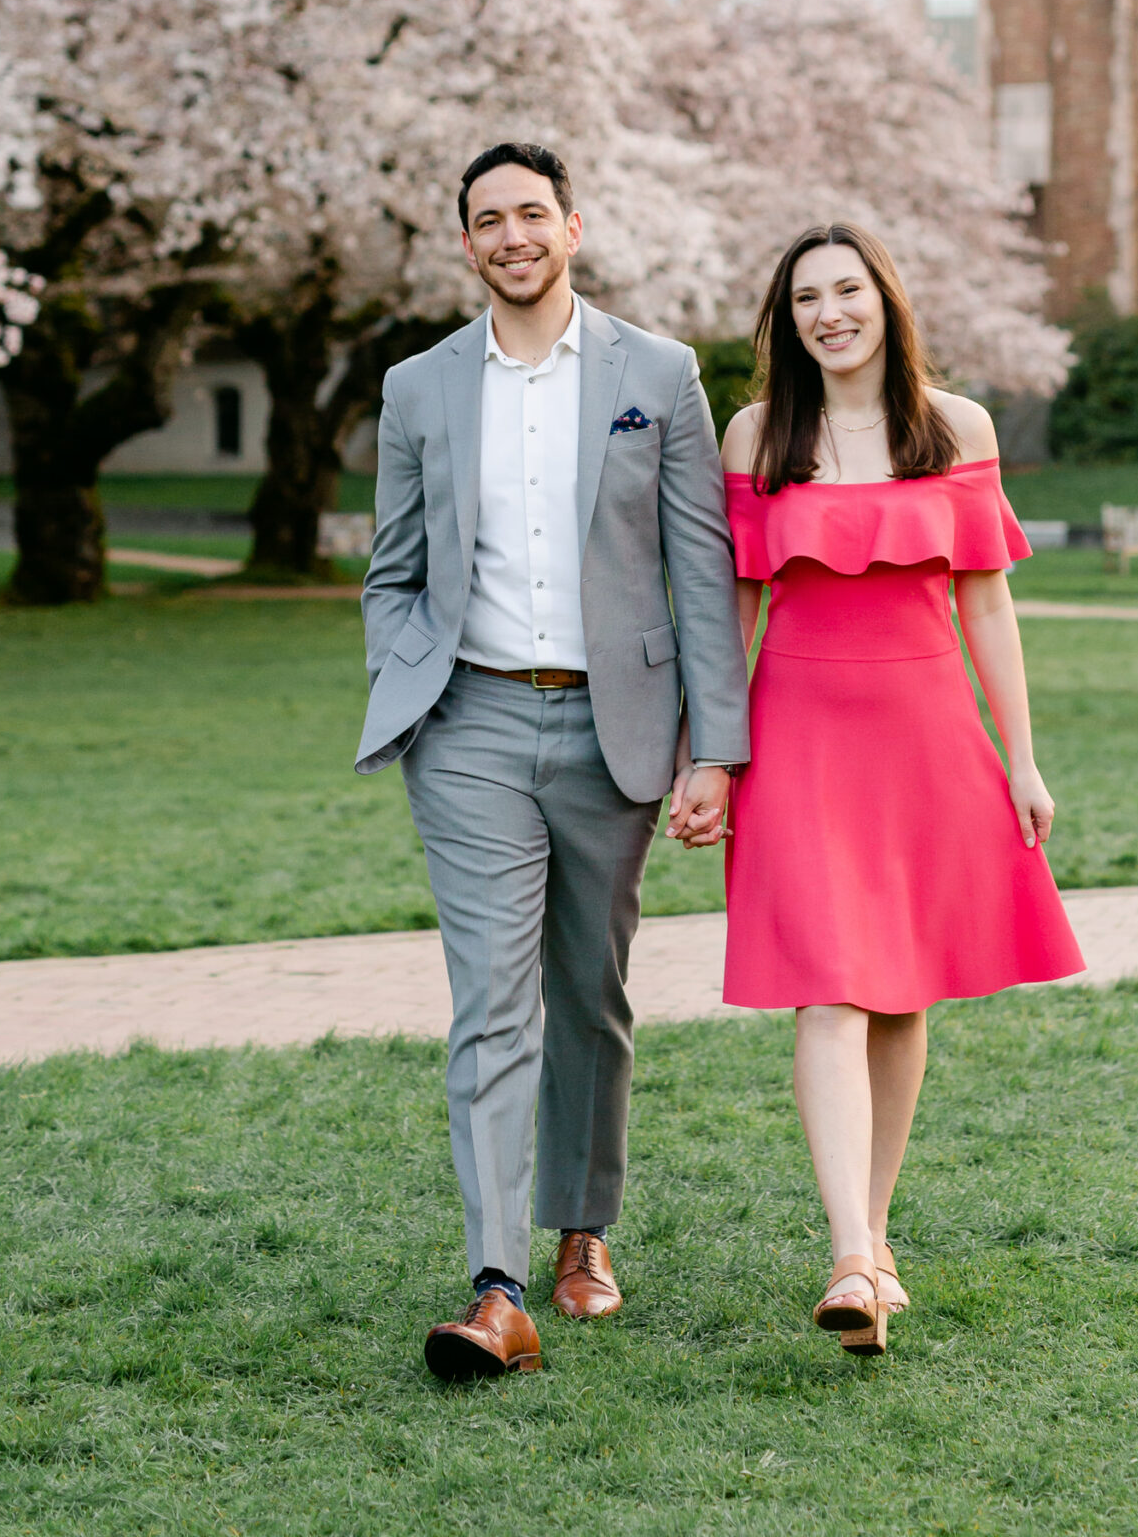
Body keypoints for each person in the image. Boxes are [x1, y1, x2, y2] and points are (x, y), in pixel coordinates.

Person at [359, 143, 749, 1382]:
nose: (513, 235)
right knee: (491, 998)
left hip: (614, 728)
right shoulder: (418, 386)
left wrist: (717, 749)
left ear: (573, 227)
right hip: (466, 727)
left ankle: (584, 1233)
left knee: (588, 989)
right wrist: (406, 674)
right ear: (465, 244)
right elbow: (393, 565)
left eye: (534, 213)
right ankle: (497, 1283)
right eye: (489, 219)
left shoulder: (657, 373)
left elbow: (702, 569)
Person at [669, 221, 1083, 1357]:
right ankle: (849, 1253)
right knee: (828, 987)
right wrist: (712, 750)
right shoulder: (757, 432)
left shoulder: (957, 428)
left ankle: (876, 1235)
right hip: (798, 730)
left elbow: (989, 604)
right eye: (807, 297)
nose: (829, 311)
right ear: (786, 319)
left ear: (886, 300)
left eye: (848, 289)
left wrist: (1023, 757)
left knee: (901, 994)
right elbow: (733, 608)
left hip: (929, 730)